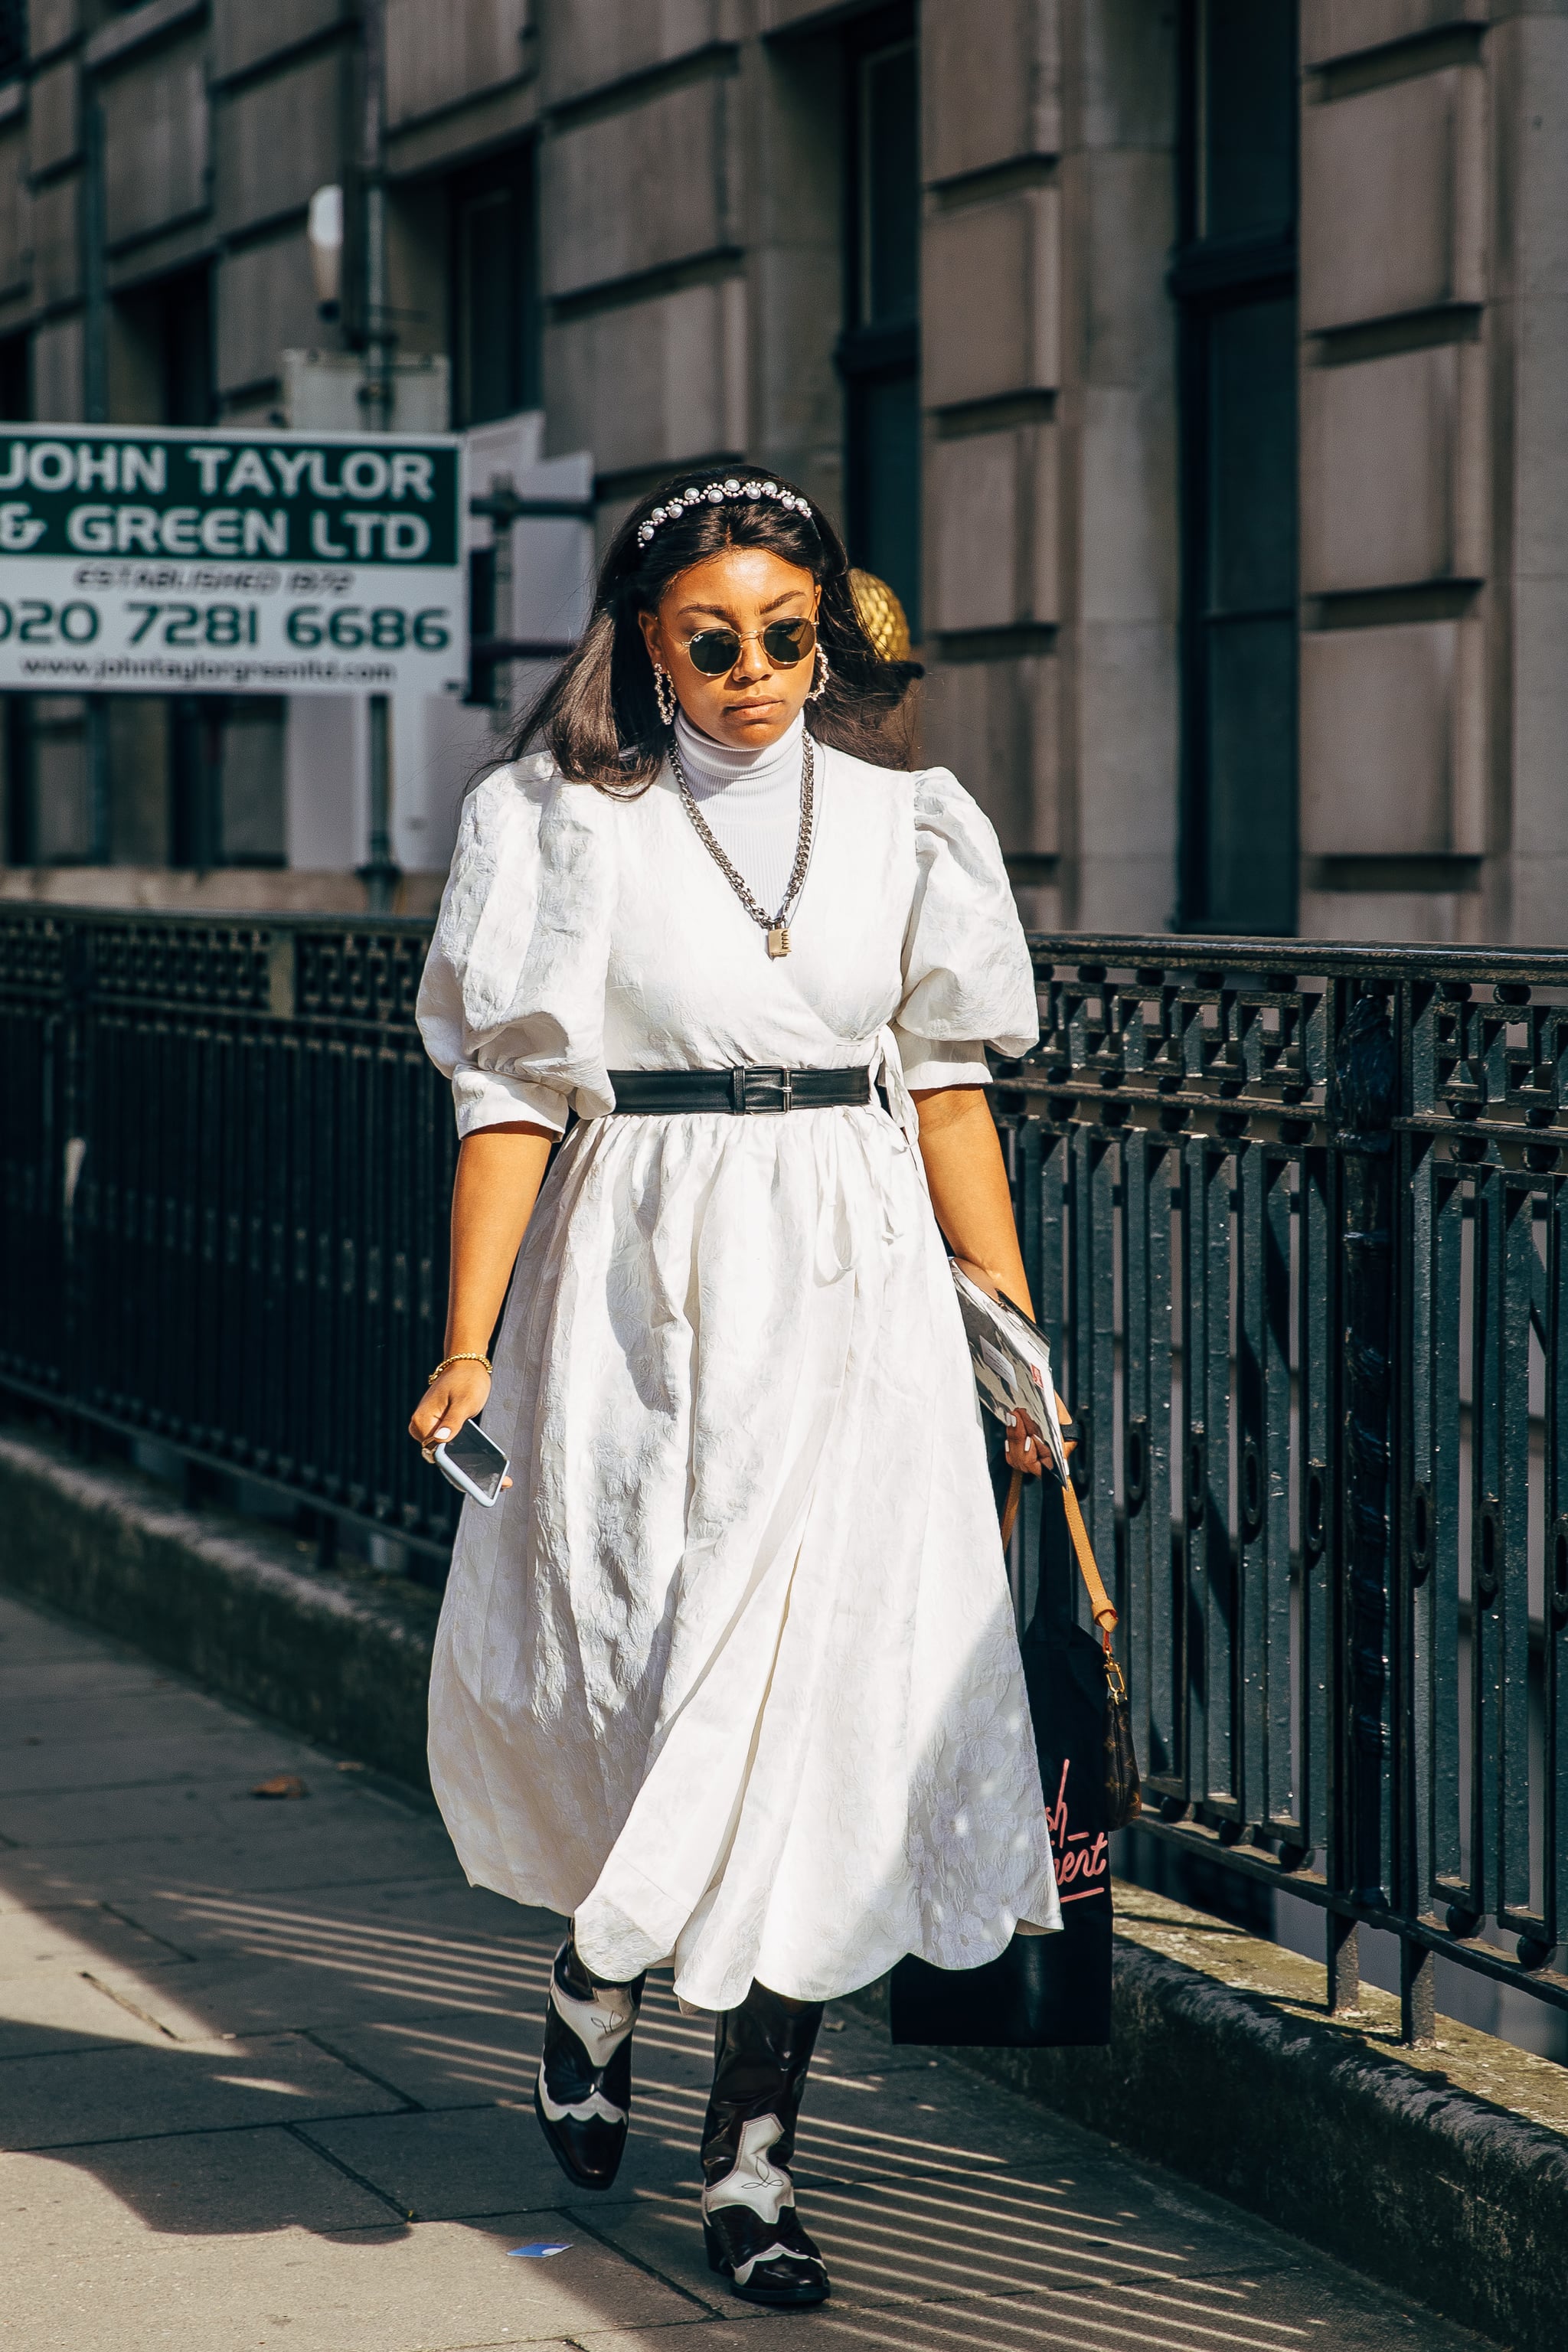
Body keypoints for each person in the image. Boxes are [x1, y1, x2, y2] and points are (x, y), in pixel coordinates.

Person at [409, 469, 1059, 2310]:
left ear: (832, 638)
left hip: (853, 1287)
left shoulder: (906, 822)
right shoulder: (553, 824)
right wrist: (465, 1342)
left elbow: (944, 1089)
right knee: (653, 1671)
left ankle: (754, 2165)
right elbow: (512, 1102)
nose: (759, 672)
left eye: (793, 636)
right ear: (646, 641)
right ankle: (594, 1966)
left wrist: (1008, 1328)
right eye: (716, 640)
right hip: (641, 1286)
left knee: (830, 1723)